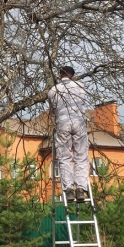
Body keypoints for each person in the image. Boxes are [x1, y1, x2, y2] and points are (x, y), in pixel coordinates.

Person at [47, 66, 89, 202]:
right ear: (73, 76)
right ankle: (81, 189)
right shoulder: (80, 87)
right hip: (79, 123)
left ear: (60, 75)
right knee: (81, 156)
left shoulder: (53, 90)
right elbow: (82, 103)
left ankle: (69, 189)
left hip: (63, 124)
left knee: (65, 157)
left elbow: (53, 110)